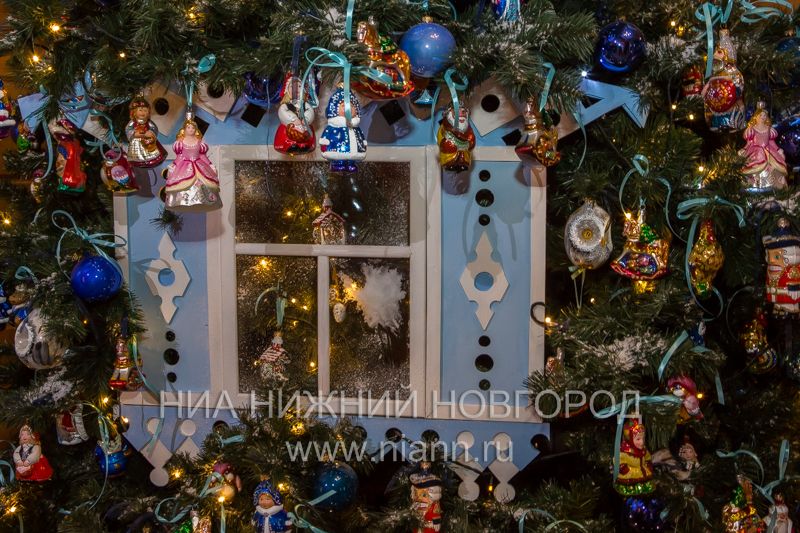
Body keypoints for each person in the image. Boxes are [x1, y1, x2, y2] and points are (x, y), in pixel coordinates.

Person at [164, 117, 221, 212]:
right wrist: (174, 165)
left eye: (193, 128)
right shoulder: (180, 143)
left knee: (204, 181)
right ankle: (182, 200)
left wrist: (210, 164)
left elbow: (203, 156)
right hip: (184, 167)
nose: (191, 129)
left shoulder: (199, 143)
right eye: (189, 127)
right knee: (182, 182)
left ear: (196, 129)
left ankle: (203, 199)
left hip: (199, 165)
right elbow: (180, 157)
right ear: (184, 129)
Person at [740, 102, 788, 191]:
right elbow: (749, 143)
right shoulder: (752, 129)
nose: (763, 117)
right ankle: (754, 186)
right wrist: (744, 149)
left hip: (769, 151)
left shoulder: (769, 129)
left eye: (765, 115)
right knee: (752, 165)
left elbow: (771, 142)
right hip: (756, 152)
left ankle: (775, 187)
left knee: (774, 165)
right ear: (756, 117)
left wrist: (778, 150)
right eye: (761, 115)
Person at [125, 97, 167, 167]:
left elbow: (154, 128)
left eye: (145, 110)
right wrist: (134, 134)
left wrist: (151, 132)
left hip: (149, 141)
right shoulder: (132, 122)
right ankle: (139, 162)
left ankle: (152, 160)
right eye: (140, 110)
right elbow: (128, 129)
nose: (143, 113)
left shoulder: (148, 122)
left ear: (148, 112)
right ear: (134, 112)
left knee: (152, 151)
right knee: (138, 152)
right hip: (137, 141)